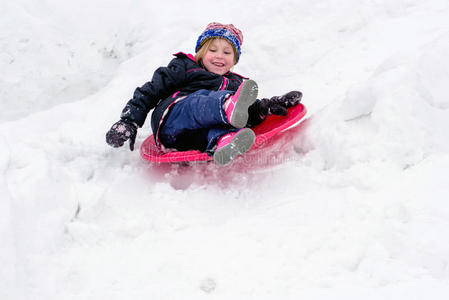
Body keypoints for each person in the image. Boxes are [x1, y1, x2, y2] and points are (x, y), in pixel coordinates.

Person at [106, 22, 302, 165]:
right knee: (198, 103)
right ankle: (225, 107)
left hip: (189, 140)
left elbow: (244, 115)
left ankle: (224, 143)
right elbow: (151, 90)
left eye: (227, 53)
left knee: (222, 127)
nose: (219, 56)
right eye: (213, 50)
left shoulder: (236, 84)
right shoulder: (185, 67)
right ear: (200, 52)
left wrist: (263, 108)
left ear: (234, 60)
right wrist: (129, 120)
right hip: (173, 121)